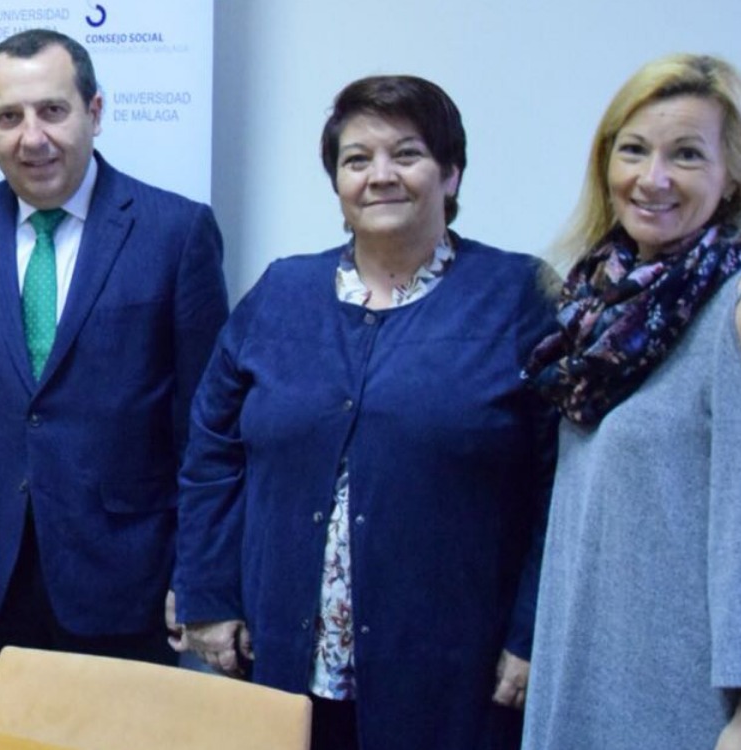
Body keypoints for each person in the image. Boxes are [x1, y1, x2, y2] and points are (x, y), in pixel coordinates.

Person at [170, 76, 555, 750]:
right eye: (357, 160)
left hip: (450, 670)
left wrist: (532, 635)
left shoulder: (518, 297)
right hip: (280, 657)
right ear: (337, 182)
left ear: (451, 173)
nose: (380, 176)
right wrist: (206, 593)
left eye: (407, 154)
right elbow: (212, 450)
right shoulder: (283, 291)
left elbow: (561, 486)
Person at [0, 28, 229, 727]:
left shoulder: (175, 231)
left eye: (53, 111)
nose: (32, 137)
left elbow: (206, 431)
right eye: (8, 117)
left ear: (94, 111)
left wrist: (198, 573)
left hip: (126, 574)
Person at [522, 54, 741, 750]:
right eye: (634, 150)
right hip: (584, 685)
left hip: (686, 710)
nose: (652, 178)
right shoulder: (595, 311)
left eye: (687, 155)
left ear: (734, 176)